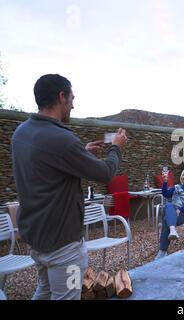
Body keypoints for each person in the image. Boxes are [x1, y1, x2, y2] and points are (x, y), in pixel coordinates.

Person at [11, 74, 128, 300]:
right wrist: (116, 148)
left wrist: (80, 153)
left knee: (44, 291)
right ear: (61, 96)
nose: (73, 104)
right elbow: (105, 173)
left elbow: (47, 166)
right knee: (69, 295)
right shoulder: (61, 139)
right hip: (64, 247)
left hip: (36, 238)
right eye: (72, 98)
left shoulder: (21, 133)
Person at [155, 168, 184, 260]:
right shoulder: (176, 187)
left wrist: (181, 209)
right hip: (172, 212)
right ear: (181, 177)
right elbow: (166, 194)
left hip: (183, 215)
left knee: (165, 219)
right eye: (183, 175)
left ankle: (162, 251)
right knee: (169, 204)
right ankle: (172, 230)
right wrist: (165, 181)